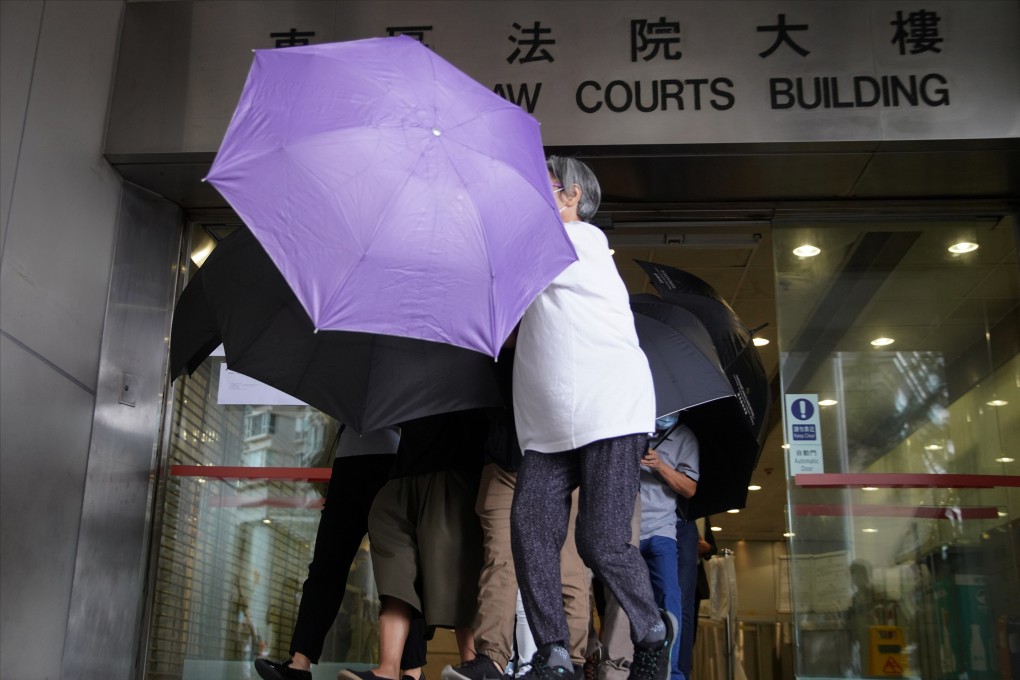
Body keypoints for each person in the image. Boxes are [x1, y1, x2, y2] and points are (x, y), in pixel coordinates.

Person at [510, 156, 677, 680]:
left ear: (572, 196)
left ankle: (652, 627)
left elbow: (502, 266)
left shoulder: (578, 241)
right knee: (529, 527)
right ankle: (553, 652)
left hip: (608, 408)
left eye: (546, 184)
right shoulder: (541, 249)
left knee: (600, 540)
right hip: (549, 420)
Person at [443, 349, 590, 680]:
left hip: (560, 465)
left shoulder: (564, 337)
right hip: (503, 464)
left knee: (568, 566)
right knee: (499, 561)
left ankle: (573, 662)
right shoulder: (490, 346)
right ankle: (491, 659)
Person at [255, 427, 427, 680]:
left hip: (392, 466)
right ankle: (298, 665)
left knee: (401, 573)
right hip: (347, 466)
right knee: (325, 567)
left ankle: (412, 672)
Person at [339, 410, 489, 680]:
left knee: (460, 583)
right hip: (403, 476)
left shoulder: (474, 372)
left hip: (453, 474)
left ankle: (473, 668)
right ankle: (387, 670)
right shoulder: (408, 374)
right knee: (396, 585)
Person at [598, 414, 700, 680]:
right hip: (623, 531)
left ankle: (673, 672)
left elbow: (689, 488)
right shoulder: (628, 426)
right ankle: (623, 669)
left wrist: (660, 466)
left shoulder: (685, 436)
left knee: (669, 600)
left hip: (661, 532)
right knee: (620, 604)